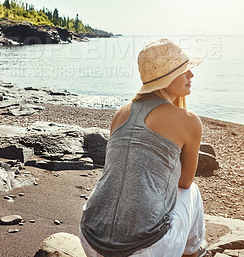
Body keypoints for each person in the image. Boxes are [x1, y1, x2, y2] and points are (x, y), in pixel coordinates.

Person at [79, 38, 206, 257]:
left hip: (90, 237)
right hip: (146, 249)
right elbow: (185, 181)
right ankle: (192, 252)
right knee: (191, 191)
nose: (191, 75)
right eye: (184, 70)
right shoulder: (188, 120)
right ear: (167, 78)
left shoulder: (121, 113)